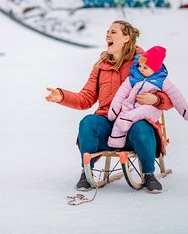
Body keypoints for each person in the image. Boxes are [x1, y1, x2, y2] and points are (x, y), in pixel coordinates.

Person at [45, 20, 174, 193]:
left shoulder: (145, 63)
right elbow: (86, 98)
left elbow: (169, 94)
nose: (108, 35)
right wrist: (62, 96)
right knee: (88, 123)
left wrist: (155, 99)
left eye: (113, 32)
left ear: (127, 38)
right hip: (108, 125)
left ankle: (149, 174)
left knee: (141, 128)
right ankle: (87, 172)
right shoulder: (101, 66)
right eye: (107, 32)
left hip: (134, 126)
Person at [108, 45, 188, 149]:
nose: (141, 69)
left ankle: (128, 119)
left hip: (151, 109)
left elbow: (176, 96)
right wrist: (114, 108)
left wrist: (185, 111)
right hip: (130, 108)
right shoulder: (133, 79)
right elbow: (121, 94)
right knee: (121, 116)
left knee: (142, 110)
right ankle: (116, 143)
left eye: (145, 67)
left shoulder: (162, 81)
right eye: (140, 66)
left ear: (155, 69)